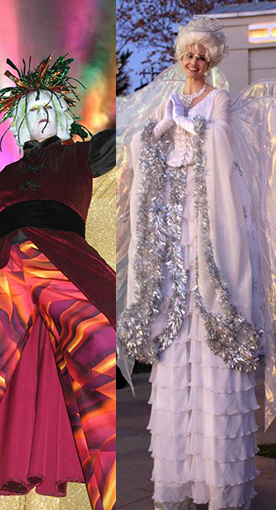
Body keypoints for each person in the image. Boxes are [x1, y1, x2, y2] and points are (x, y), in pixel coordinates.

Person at [117, 17, 276, 510]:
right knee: (176, 330)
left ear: (210, 60)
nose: (194, 62)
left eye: (202, 56)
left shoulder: (218, 99)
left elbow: (223, 145)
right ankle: (180, 481)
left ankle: (221, 486)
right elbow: (141, 147)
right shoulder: (167, 100)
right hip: (172, 227)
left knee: (212, 326)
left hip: (208, 222)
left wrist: (196, 127)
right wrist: (162, 128)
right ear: (181, 56)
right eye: (189, 55)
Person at [0, 55, 116, 510]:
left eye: (48, 106)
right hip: (6, 268)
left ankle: (109, 475)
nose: (41, 114)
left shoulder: (81, 154)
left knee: (99, 342)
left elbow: (123, 139)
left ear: (62, 115)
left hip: (63, 262)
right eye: (31, 109)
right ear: (20, 123)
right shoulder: (5, 176)